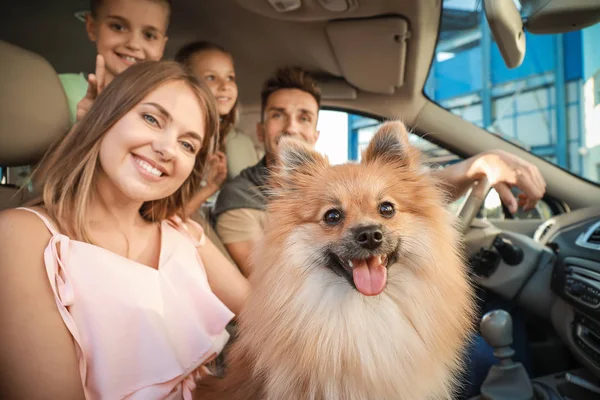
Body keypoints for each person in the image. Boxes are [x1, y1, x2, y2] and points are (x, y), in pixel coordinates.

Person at [0, 61, 250, 399]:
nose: (166, 149)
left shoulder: (182, 233)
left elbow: (267, 315)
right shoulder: (23, 237)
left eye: (188, 145)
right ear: (106, 117)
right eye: (151, 119)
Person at [213, 66, 546, 277]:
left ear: (315, 133)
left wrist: (478, 165)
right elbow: (266, 282)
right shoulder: (239, 195)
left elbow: (411, 191)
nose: (291, 127)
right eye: (277, 115)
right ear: (259, 130)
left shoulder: (337, 177)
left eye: (303, 118)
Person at [174, 41, 260, 215]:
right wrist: (210, 187)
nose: (225, 85)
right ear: (186, 83)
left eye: (230, 78)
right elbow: (171, 216)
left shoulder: (225, 138)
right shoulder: (179, 140)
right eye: (211, 77)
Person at [59, 0, 171, 124]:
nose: (133, 44)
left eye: (149, 35)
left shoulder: (165, 108)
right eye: (118, 27)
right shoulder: (57, 88)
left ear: (162, 46)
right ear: (92, 27)